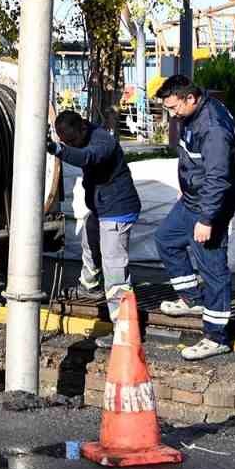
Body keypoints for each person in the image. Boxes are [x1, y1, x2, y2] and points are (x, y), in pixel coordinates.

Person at [153, 74, 235, 361]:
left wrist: (207, 219)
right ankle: (192, 299)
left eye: (174, 107)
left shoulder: (214, 127)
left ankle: (217, 337)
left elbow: (218, 177)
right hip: (192, 199)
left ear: (190, 98)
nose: (172, 114)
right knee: (166, 239)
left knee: (213, 269)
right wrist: (185, 189)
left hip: (210, 206)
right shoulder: (192, 116)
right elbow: (194, 162)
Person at [47, 109, 141, 323]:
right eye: (66, 142)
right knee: (89, 241)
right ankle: (90, 287)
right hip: (102, 209)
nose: (72, 145)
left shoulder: (102, 142)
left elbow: (87, 157)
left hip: (117, 211)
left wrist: (59, 150)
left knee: (114, 266)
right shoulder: (82, 135)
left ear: (82, 127)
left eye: (72, 140)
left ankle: (122, 325)